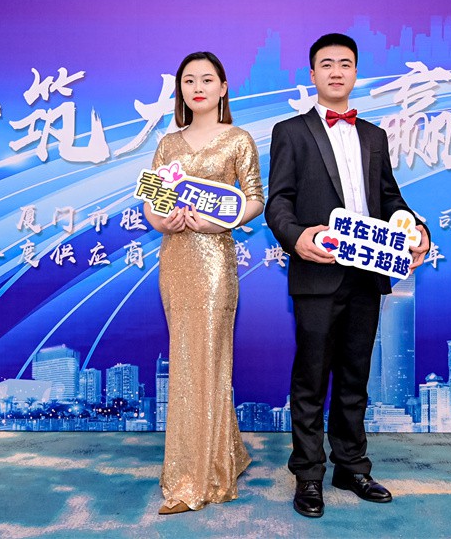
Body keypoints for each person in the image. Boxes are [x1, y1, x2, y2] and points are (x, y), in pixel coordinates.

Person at [265, 33, 430, 518]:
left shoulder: (374, 136)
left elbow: (391, 198)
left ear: (356, 73)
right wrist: (297, 237)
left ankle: (351, 466)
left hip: (368, 274)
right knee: (311, 378)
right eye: (326, 64)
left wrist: (417, 230)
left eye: (345, 63)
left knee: (356, 377)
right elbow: (278, 201)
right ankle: (308, 475)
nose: (336, 71)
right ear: (312, 74)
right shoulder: (290, 131)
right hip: (317, 273)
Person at [144, 51, 264, 515]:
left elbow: (255, 199)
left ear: (223, 87)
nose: (198, 87)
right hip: (175, 260)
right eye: (189, 80)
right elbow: (151, 203)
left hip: (215, 261)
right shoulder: (168, 144)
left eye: (207, 79)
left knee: (208, 360)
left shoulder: (238, 140)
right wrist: (164, 221)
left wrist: (220, 223)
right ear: (180, 90)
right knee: (186, 360)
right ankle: (219, 455)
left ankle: (197, 479)